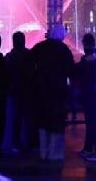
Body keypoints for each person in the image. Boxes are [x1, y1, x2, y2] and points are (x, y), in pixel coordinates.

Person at [32, 24, 75, 161]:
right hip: (58, 92)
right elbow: (71, 71)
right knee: (56, 123)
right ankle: (54, 153)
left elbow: (30, 63)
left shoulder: (40, 47)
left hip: (41, 91)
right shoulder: (64, 50)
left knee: (43, 122)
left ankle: (43, 152)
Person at [75, 33, 96, 162]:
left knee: (92, 123)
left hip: (90, 96)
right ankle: (88, 149)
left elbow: (78, 72)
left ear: (85, 44)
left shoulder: (87, 59)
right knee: (91, 123)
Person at [3, 31, 35, 152]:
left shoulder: (9, 57)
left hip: (14, 91)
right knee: (27, 118)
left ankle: (16, 142)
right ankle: (28, 142)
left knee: (15, 118)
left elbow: (5, 73)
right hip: (27, 90)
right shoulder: (29, 55)